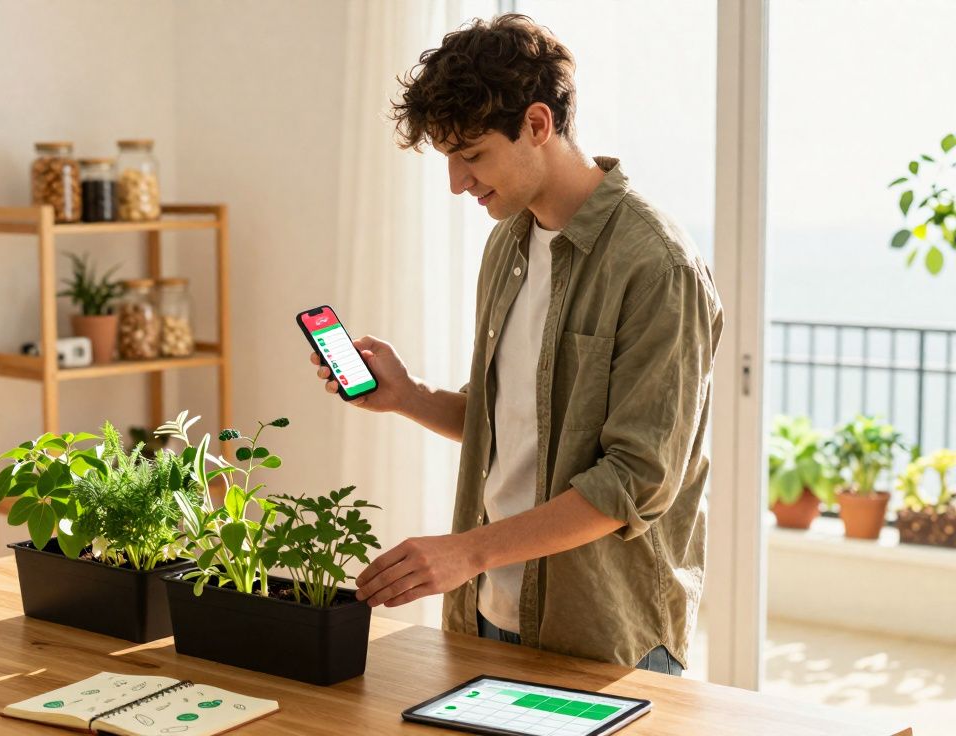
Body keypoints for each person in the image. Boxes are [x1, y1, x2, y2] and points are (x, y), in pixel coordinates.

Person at [309, 14, 722, 674]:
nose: (456, 182)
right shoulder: (510, 244)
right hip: (482, 615)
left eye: (471, 156)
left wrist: (464, 551)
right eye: (449, 159)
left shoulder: (657, 266)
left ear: (536, 124)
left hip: (602, 633)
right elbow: (512, 422)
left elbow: (635, 481)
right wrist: (409, 397)